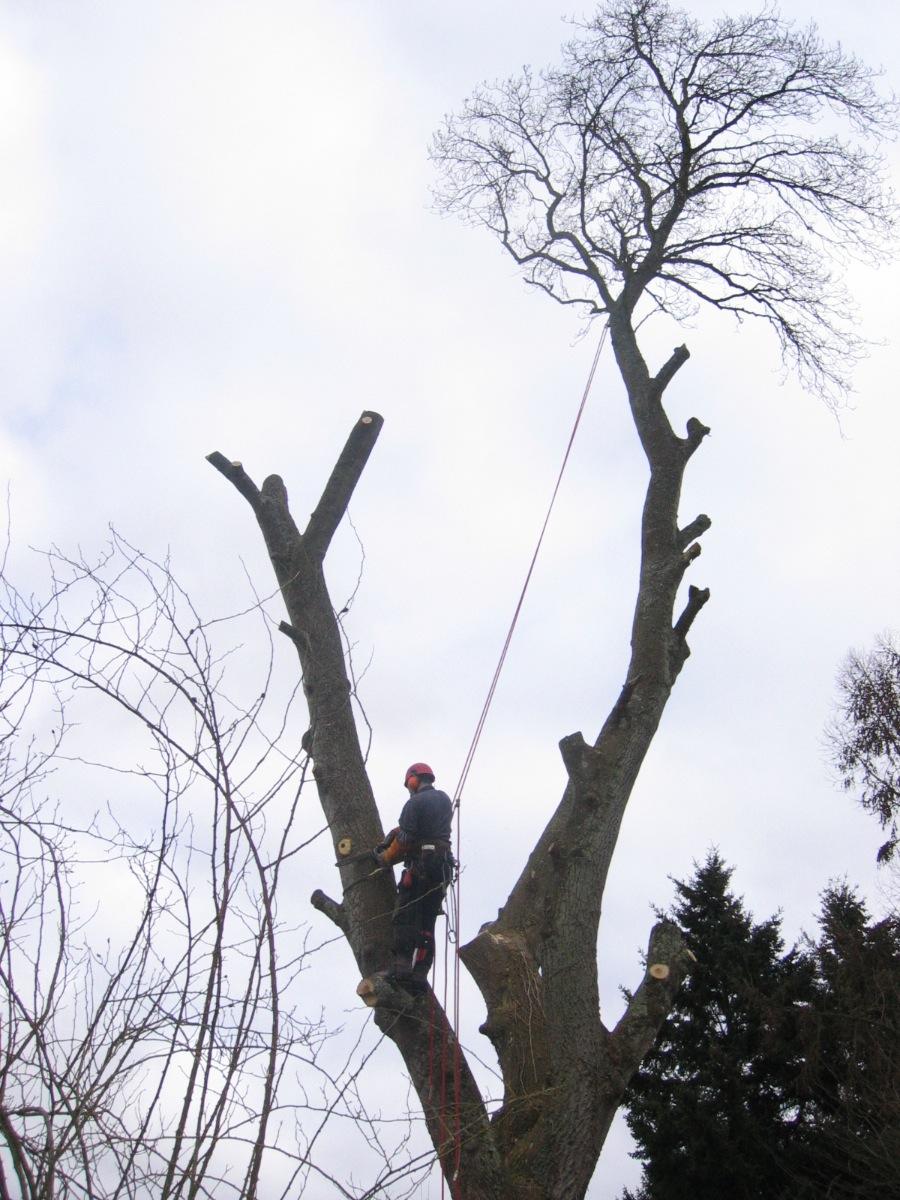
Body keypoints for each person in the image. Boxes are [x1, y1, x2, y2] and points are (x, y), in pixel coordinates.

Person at [375, 761, 454, 992]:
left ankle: (401, 968)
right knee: (427, 922)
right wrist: (398, 832)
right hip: (441, 869)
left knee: (405, 916)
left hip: (421, 868)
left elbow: (406, 841)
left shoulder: (414, 803)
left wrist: (386, 857)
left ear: (413, 779)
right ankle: (420, 974)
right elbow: (426, 831)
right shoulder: (444, 799)